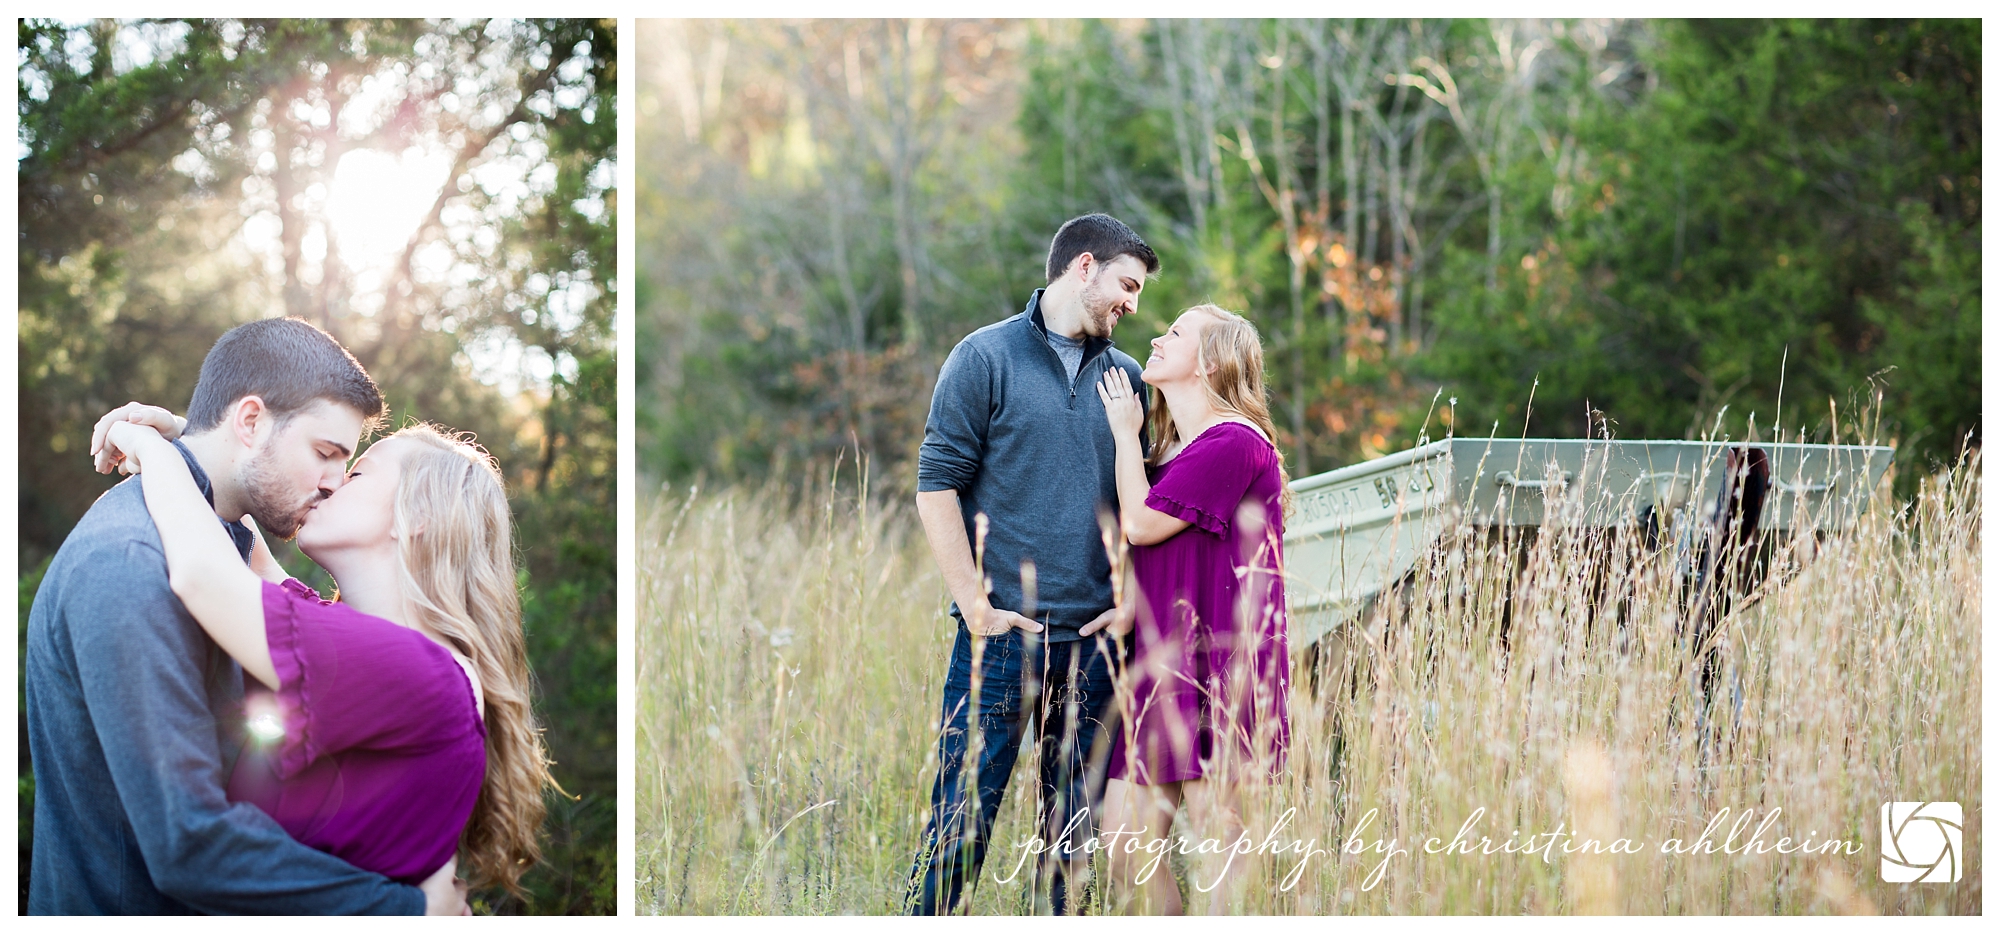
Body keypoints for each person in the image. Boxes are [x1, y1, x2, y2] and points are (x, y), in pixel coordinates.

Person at [26, 318, 458, 914]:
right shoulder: (131, 563)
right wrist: (408, 913)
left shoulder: (219, 544)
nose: (333, 484)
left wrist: (174, 442)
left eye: (348, 465)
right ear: (251, 422)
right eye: (325, 453)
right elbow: (189, 842)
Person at [907, 213, 1159, 915]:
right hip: (1001, 641)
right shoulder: (983, 357)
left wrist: (1132, 593)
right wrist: (977, 606)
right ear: (1084, 267)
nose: (1132, 305)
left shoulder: (1129, 378)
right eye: (1126, 285)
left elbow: (1148, 506)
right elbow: (935, 487)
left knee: (1074, 844)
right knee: (959, 824)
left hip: (1095, 646)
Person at [1092, 304, 1292, 914]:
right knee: (1125, 842)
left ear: (1210, 363)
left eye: (1174, 333)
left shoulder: (1234, 442)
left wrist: (1125, 436)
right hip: (1164, 665)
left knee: (1216, 852)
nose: (1156, 336)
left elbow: (1141, 524)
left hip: (1222, 670)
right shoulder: (1185, 449)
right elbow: (1172, 554)